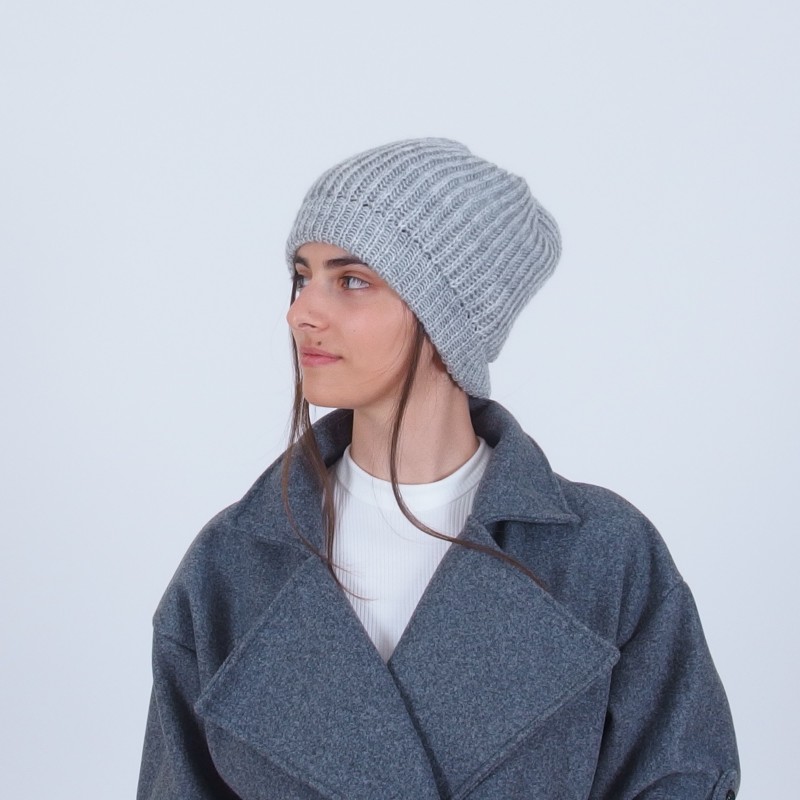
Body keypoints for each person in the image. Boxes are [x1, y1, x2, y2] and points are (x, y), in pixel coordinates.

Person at [137, 138, 740, 799]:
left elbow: (682, 778)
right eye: (302, 277)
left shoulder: (603, 553)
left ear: (449, 316)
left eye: (352, 280)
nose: (301, 312)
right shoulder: (232, 563)